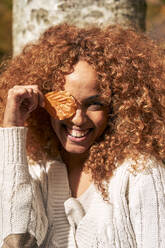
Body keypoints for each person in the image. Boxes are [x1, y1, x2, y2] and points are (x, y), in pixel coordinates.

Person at [0, 23, 165, 248]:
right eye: (65, 102)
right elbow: (16, 241)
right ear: (44, 102)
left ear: (117, 106)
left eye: (94, 104)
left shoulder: (139, 172)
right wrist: (12, 128)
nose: (78, 119)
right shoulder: (32, 168)